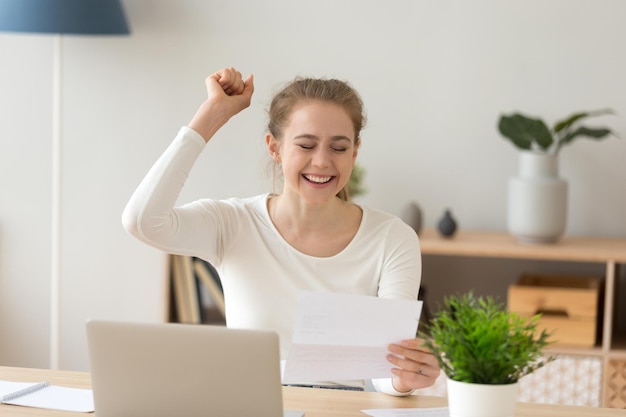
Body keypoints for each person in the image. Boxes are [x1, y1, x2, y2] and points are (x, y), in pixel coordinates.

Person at [122, 67, 440, 395]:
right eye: (306, 145)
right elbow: (143, 221)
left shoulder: (393, 238)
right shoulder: (232, 222)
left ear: (355, 152)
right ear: (274, 147)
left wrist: (403, 378)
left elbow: (384, 370)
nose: (321, 161)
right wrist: (211, 115)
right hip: (251, 403)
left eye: (339, 148)